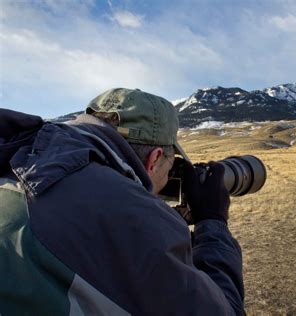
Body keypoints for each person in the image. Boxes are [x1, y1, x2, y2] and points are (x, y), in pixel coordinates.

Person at [0, 88, 244, 315]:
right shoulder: (129, 212)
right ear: (155, 158)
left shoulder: (20, 151)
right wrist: (213, 221)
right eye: (171, 166)